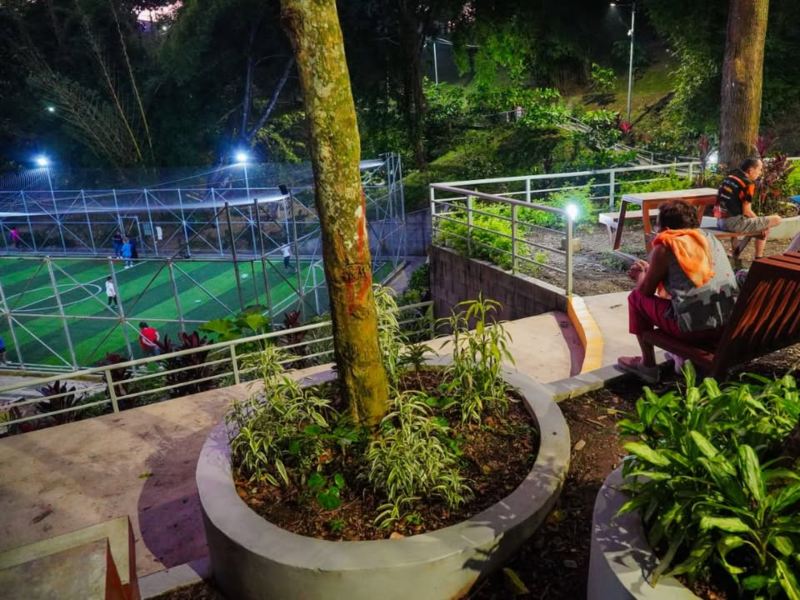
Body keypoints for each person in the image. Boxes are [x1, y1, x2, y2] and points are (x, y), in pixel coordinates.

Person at [617, 199, 739, 383]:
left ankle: (648, 366)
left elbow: (646, 291)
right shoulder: (709, 238)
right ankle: (678, 358)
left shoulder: (667, 245)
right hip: (725, 325)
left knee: (636, 298)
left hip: (693, 330)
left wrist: (641, 275)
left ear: (664, 226)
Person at [715, 158, 782, 260]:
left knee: (761, 224)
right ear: (750, 170)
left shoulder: (729, 178)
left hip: (720, 222)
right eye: (759, 169)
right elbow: (747, 211)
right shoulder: (748, 184)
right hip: (732, 224)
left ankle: (735, 253)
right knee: (776, 220)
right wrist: (762, 225)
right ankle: (759, 259)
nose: (760, 173)